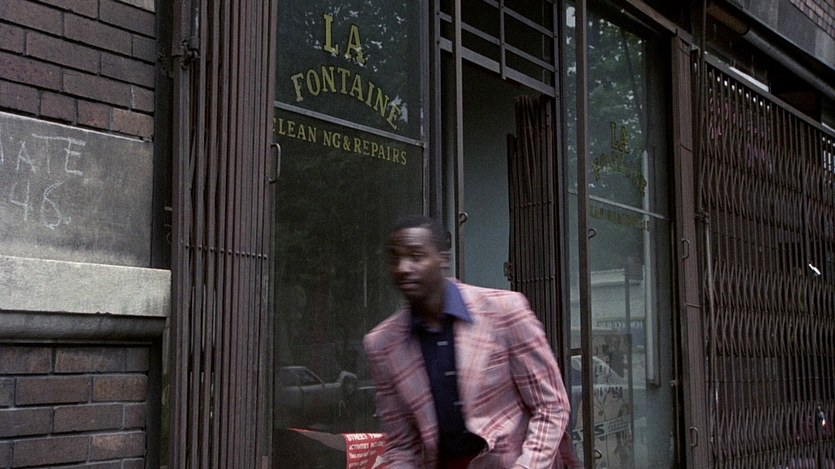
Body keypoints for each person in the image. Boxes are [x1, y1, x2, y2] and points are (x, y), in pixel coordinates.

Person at [363, 215, 570, 468]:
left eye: (416, 256)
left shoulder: (504, 311)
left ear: (443, 259)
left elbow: (551, 405)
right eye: (395, 258)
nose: (403, 267)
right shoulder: (382, 344)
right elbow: (402, 445)